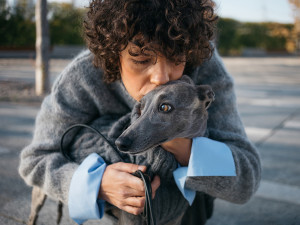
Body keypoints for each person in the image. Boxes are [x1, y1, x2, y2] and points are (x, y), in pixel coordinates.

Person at [19, 0, 261, 224]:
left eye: (176, 58)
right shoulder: (81, 78)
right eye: (143, 60)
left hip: (188, 208)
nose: (161, 77)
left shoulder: (205, 70)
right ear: (115, 56)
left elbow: (247, 178)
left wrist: (185, 149)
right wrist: (96, 184)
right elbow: (35, 160)